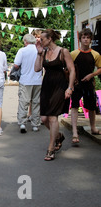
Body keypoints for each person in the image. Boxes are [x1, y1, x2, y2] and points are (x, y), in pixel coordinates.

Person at [35, 29, 75, 161]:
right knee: (44, 119)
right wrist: (39, 54)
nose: (40, 41)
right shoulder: (44, 52)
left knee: (52, 118)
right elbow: (37, 69)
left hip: (60, 87)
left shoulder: (63, 51)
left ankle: (51, 149)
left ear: (50, 38)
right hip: (47, 87)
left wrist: (70, 87)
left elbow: (72, 69)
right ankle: (59, 136)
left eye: (42, 39)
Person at [70, 28, 101, 144]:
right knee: (74, 106)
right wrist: (71, 83)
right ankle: (74, 132)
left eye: (88, 38)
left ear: (91, 40)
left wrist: (92, 75)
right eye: (84, 37)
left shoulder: (95, 54)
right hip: (77, 85)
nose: (86, 40)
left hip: (89, 85)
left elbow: (100, 69)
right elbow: (69, 69)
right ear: (80, 39)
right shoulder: (73, 54)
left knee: (92, 107)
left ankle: (93, 128)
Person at [12, 34, 42, 133]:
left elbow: (16, 65)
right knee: (36, 103)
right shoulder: (39, 50)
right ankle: (35, 124)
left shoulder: (22, 51)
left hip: (25, 80)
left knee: (23, 103)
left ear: (25, 41)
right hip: (37, 81)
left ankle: (22, 123)